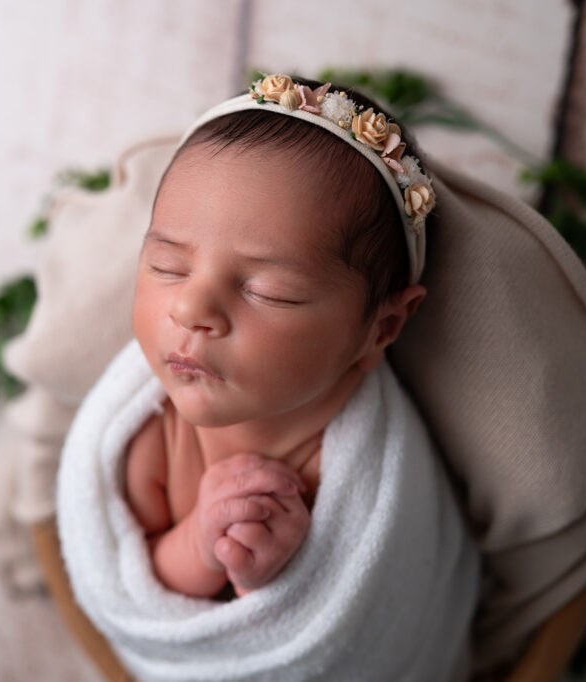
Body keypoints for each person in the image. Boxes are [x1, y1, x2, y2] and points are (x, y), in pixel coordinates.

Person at [56, 74, 480, 681]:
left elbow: (381, 605)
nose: (191, 310)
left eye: (268, 291)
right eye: (167, 265)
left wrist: (273, 587)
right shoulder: (151, 434)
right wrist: (203, 547)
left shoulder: (366, 469)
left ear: (380, 329)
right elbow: (134, 583)